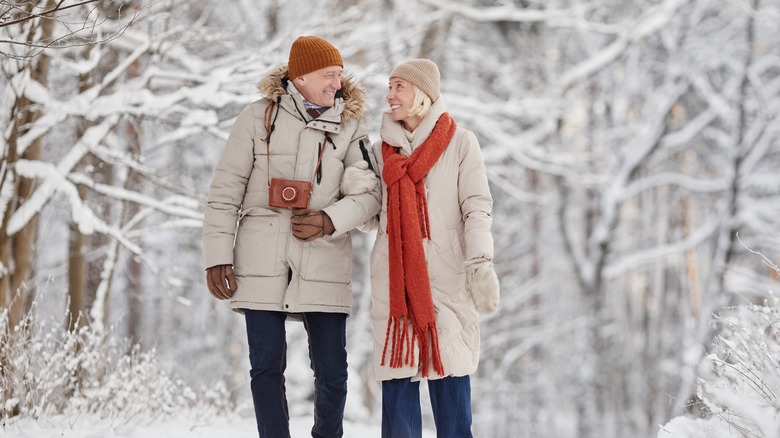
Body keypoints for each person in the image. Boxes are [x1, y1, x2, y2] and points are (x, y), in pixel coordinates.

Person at [201, 36, 380, 438]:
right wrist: (217, 256)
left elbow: (370, 195)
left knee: (333, 371)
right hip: (260, 259)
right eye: (329, 75)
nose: (338, 82)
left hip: (324, 258)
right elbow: (225, 191)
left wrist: (329, 220)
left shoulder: (350, 126)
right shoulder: (256, 117)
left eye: (339, 74)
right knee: (265, 368)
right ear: (300, 76)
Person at [344, 58, 500, 437]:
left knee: (454, 416)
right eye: (390, 86)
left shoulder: (461, 143)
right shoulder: (378, 152)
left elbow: (477, 206)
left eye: (400, 87)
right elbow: (369, 218)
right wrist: (355, 182)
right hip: (395, 289)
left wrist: (480, 263)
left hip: (446, 285)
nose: (390, 95)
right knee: (398, 419)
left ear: (424, 97)